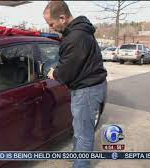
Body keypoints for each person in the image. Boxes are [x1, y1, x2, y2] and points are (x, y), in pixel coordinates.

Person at [43, 1, 107, 168]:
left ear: (63, 18)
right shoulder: (79, 31)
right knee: (79, 128)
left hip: (87, 89)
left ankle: (81, 164)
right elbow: (75, 61)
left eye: (52, 24)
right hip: (89, 86)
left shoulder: (75, 38)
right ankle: (78, 156)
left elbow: (65, 73)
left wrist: (53, 73)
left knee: (83, 132)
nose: (51, 28)